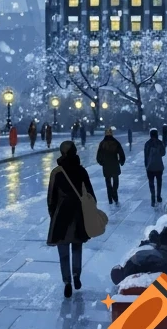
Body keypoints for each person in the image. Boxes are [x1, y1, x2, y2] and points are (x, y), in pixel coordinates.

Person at [46, 140, 96, 299]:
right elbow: (90, 195)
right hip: (78, 214)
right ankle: (76, 275)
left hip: (61, 215)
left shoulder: (56, 172)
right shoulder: (81, 171)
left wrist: (54, 214)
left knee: (63, 251)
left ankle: (67, 281)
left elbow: (51, 198)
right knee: (76, 247)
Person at [96, 126, 127, 205]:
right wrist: (121, 161)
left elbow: (98, 156)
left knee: (108, 182)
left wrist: (101, 162)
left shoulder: (102, 143)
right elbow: (121, 153)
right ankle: (115, 195)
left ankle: (110, 198)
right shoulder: (116, 142)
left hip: (106, 165)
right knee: (116, 181)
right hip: (114, 164)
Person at [144, 128, 167, 205]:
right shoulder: (160, 143)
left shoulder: (147, 144)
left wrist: (146, 165)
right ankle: (159, 196)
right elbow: (163, 153)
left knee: (151, 182)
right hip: (159, 166)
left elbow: (146, 155)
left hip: (150, 166)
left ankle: (153, 197)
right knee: (159, 182)